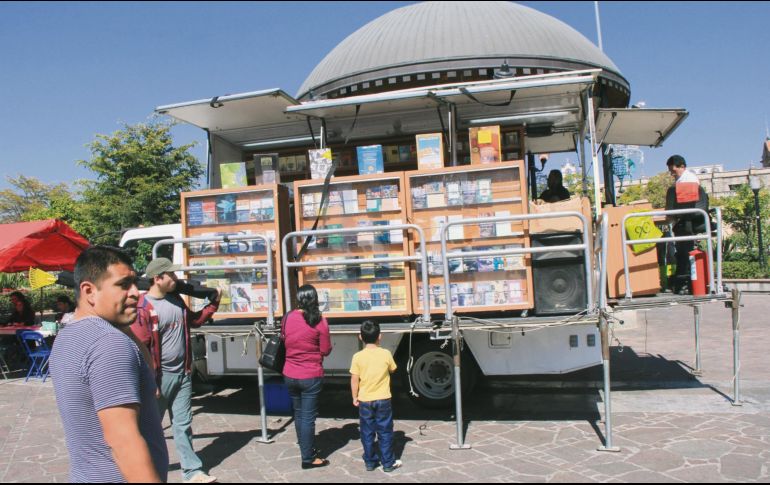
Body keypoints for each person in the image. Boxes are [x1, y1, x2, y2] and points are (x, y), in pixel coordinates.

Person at [49, 246, 168, 483]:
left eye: (134, 283)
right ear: (89, 291)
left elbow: (148, 376)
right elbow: (123, 442)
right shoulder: (109, 343)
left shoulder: (67, 335)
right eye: (123, 284)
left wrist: (124, 326)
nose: (136, 293)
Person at [130, 257, 220, 484]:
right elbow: (140, 349)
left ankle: (192, 471)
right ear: (157, 278)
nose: (176, 278)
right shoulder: (142, 308)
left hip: (183, 374)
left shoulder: (176, 300)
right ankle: (142, 472)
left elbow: (194, 321)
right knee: (150, 427)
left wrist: (213, 305)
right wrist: (150, 381)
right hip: (159, 379)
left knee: (183, 425)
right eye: (171, 275)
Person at [282, 284, 332, 470]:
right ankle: (308, 458)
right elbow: (325, 350)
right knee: (308, 417)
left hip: (289, 373)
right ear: (315, 299)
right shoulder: (319, 321)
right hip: (310, 375)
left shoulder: (287, 317)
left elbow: (284, 338)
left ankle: (304, 445)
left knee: (298, 413)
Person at [350, 320, 402, 473]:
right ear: (380, 336)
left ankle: (370, 461)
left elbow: (354, 379)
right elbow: (393, 369)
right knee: (385, 431)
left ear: (360, 337)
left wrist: (354, 396)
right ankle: (388, 462)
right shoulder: (386, 354)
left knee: (367, 432)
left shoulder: (357, 356)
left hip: (365, 400)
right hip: (383, 399)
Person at [665, 155, 710, 294]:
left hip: (689, 220)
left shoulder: (689, 180)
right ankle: (682, 280)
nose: (672, 173)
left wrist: (671, 215)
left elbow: (686, 203)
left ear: (682, 166)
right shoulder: (680, 181)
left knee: (684, 251)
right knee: (681, 250)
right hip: (685, 219)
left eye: (673, 170)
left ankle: (685, 281)